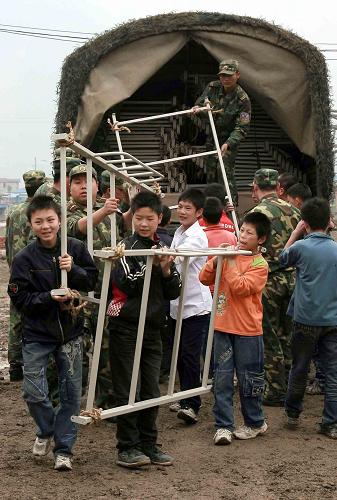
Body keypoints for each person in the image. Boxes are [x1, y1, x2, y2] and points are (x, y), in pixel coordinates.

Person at [7, 196, 98, 470]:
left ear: (59, 221)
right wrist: (48, 297)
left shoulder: (75, 248)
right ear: (32, 224)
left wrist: (74, 269)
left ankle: (64, 450)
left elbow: (92, 280)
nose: (45, 226)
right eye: (39, 222)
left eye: (50, 220)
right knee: (33, 392)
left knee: (71, 395)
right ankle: (46, 429)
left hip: (70, 332)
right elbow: (19, 299)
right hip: (37, 335)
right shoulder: (24, 259)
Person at [107, 191, 181, 468]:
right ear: (132, 218)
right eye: (139, 218)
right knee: (126, 388)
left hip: (153, 328)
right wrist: (153, 264)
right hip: (125, 326)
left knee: (152, 388)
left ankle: (149, 443)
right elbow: (128, 283)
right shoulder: (125, 248)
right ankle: (127, 447)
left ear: (159, 218)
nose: (144, 223)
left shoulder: (163, 247)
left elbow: (174, 290)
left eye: (150, 218)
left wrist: (164, 269)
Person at [200, 212, 270, 444]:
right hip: (222, 327)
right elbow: (204, 277)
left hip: (248, 331)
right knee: (221, 378)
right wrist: (217, 257)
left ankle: (255, 422)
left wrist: (227, 260)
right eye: (242, 229)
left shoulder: (260, 264)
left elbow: (240, 287)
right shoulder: (229, 254)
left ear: (261, 239)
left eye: (249, 232)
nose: (242, 235)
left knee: (250, 379)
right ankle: (223, 426)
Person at [67, 164, 128, 409]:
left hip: (108, 291)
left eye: (87, 181)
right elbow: (77, 228)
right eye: (77, 182)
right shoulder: (67, 211)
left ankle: (106, 395)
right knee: (77, 347)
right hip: (79, 295)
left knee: (107, 345)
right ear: (69, 188)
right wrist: (104, 210)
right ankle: (74, 397)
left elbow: (123, 229)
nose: (83, 186)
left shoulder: (108, 211)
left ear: (96, 185)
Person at [279, 198, 337, 439]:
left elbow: (282, 259)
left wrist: (294, 234)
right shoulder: (335, 249)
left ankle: (293, 413)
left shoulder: (301, 248)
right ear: (329, 222)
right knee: (333, 373)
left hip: (304, 319)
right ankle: (330, 423)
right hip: (333, 320)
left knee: (300, 367)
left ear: (305, 223)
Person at [250, 169, 300, 406]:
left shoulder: (257, 213)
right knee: (288, 334)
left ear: (255, 186)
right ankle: (291, 386)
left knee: (270, 336)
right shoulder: (295, 209)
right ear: (277, 186)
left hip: (268, 281)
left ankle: (275, 390)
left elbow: (249, 249)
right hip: (293, 280)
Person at [169, 188, 212, 423]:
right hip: (177, 304)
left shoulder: (197, 236)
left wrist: (163, 255)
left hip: (195, 306)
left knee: (189, 355)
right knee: (178, 353)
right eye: (180, 206)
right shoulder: (179, 231)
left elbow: (179, 258)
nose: (182, 211)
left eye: (188, 208)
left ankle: (192, 404)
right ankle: (185, 395)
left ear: (199, 212)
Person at [5, 169, 46, 381]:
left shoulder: (13, 211)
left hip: (17, 271)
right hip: (38, 272)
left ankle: (15, 365)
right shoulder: (43, 212)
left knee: (15, 317)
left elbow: (8, 242)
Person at [193, 60, 251, 205]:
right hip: (213, 136)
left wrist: (229, 143)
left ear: (237, 75)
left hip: (229, 139)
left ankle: (230, 206)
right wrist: (197, 109)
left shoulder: (243, 99)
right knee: (211, 171)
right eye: (222, 75)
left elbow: (242, 128)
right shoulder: (212, 87)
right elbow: (200, 103)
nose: (225, 79)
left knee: (224, 171)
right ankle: (210, 205)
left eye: (229, 75)